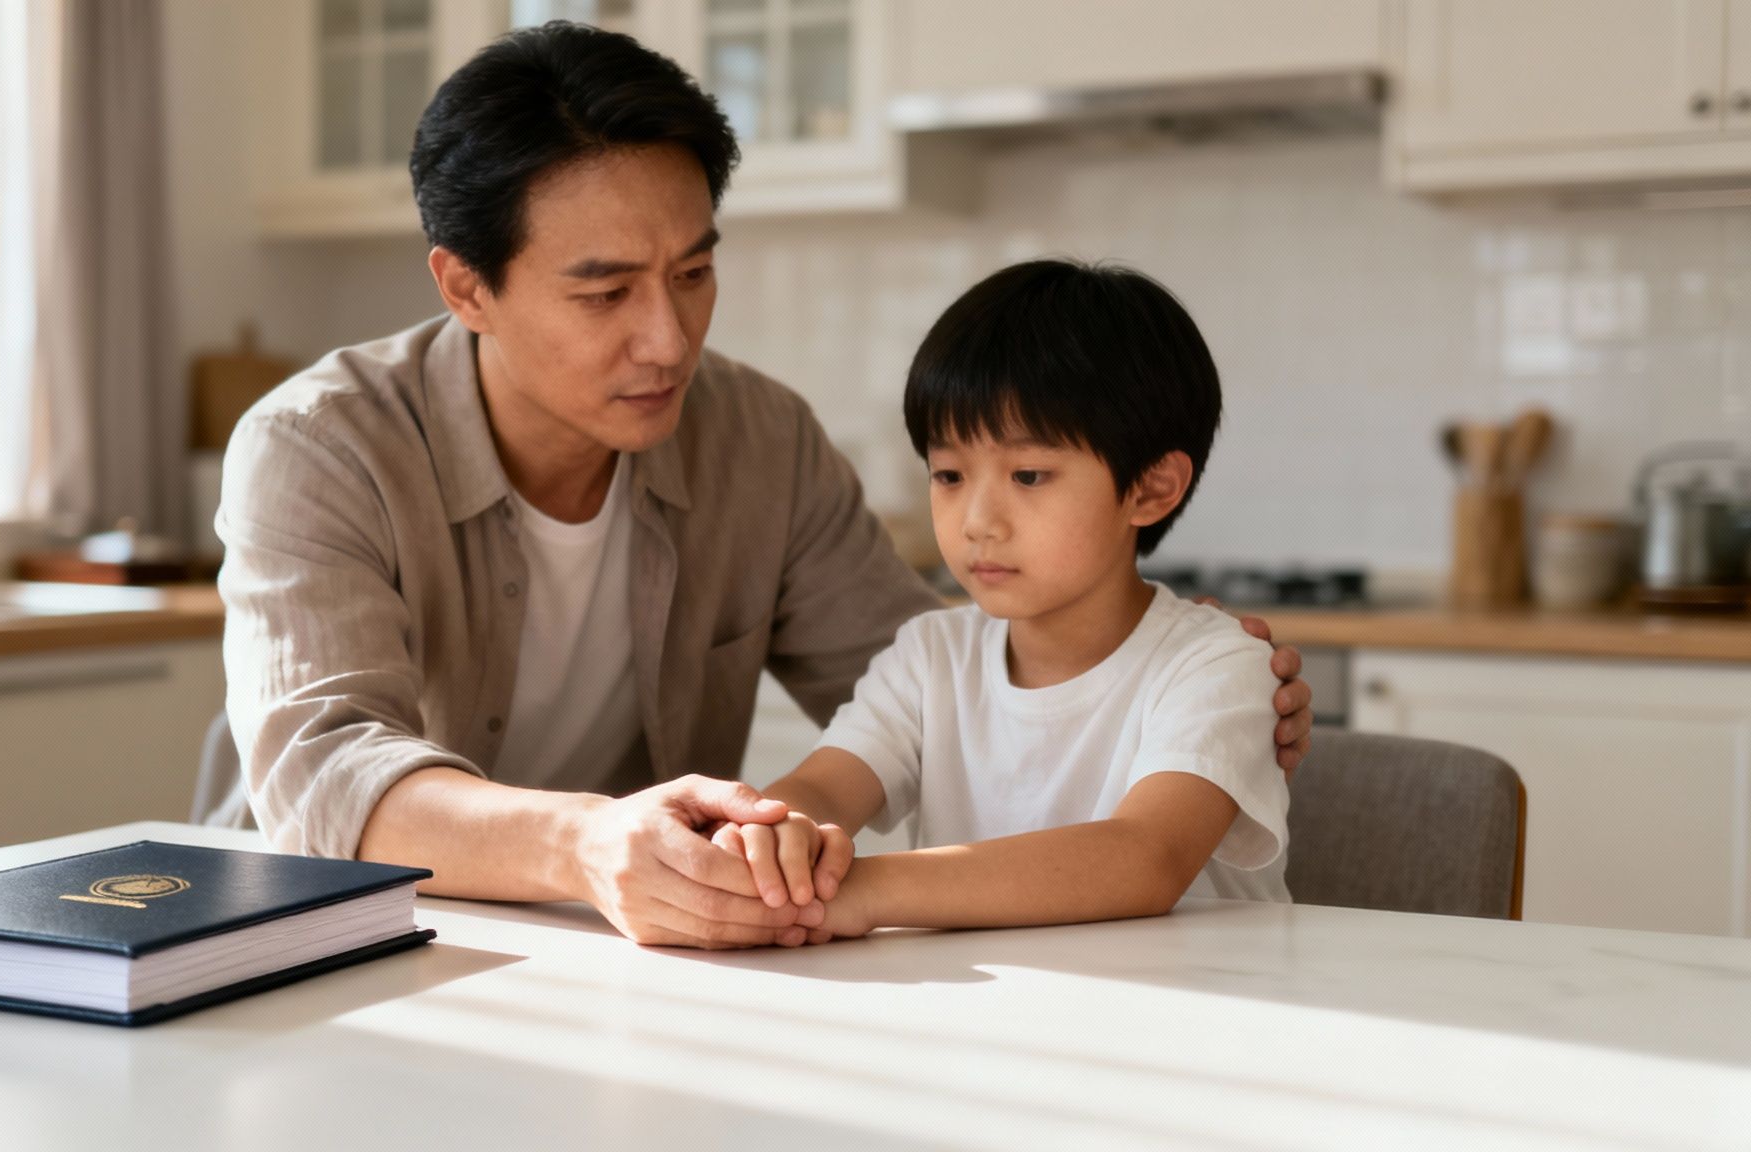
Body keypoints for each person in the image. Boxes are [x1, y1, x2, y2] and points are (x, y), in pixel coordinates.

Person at [215, 22, 1315, 950]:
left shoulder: (757, 438)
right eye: (605, 293)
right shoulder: (319, 445)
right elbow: (322, 777)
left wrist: (1142, 669)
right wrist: (589, 843)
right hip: (342, 938)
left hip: (630, 956)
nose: (667, 340)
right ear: (467, 287)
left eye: (693, 273)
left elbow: (946, 683)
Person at [715, 259, 1290, 941]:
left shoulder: (1216, 663)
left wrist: (862, 890)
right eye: (949, 474)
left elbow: (1145, 858)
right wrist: (776, 835)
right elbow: (824, 787)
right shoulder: (930, 656)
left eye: (1028, 474)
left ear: (1151, 489)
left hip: (1203, 1012)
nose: (978, 519)